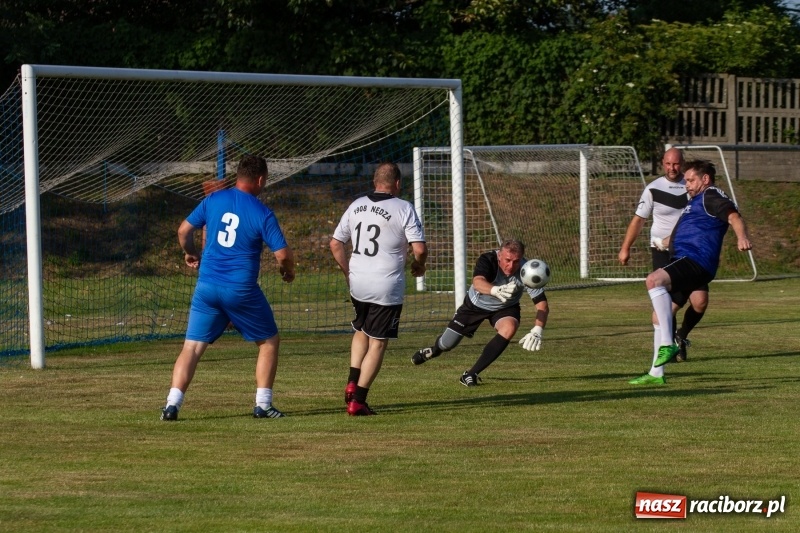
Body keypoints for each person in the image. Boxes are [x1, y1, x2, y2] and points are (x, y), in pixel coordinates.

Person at [160, 154, 295, 421]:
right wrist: (287, 271)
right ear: (260, 180)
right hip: (240, 290)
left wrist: (190, 253)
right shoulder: (262, 212)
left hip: (207, 287)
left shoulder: (213, 199)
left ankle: (171, 405)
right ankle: (263, 405)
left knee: (191, 348)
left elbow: (183, 231)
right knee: (268, 341)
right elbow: (283, 255)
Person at [631, 159, 752, 384]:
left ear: (705, 179)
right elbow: (680, 233)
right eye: (686, 180)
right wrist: (663, 242)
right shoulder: (694, 202)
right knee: (660, 314)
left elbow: (734, 216)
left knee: (653, 280)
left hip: (696, 260)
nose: (686, 184)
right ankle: (656, 374)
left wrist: (742, 237)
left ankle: (669, 343)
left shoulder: (711, 195)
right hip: (683, 258)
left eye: (690, 180)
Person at [330, 162, 427, 416]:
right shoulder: (404, 207)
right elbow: (420, 249)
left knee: (361, 330)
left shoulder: (356, 205)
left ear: (375, 182)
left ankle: (352, 381)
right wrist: (419, 266)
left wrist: (347, 272)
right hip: (385, 285)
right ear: (397, 183)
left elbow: (335, 244)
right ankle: (358, 400)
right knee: (378, 343)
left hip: (359, 282)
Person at [411, 239, 549, 386]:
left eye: (516, 261)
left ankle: (471, 374)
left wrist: (538, 329)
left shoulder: (527, 270)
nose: (511, 265)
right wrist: (495, 290)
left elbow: (542, 305)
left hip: (505, 307)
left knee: (510, 327)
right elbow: (478, 283)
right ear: (499, 255)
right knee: (447, 344)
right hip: (475, 306)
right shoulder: (488, 259)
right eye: (507, 260)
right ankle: (435, 350)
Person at [619, 147, 707, 376]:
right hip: (662, 251)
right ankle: (662, 355)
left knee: (700, 302)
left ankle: (681, 336)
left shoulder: (692, 186)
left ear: (682, 163)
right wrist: (625, 248)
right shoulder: (653, 189)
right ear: (662, 163)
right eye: (668, 164)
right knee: (665, 304)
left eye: (676, 164)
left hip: (690, 251)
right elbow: (638, 220)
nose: (672, 168)